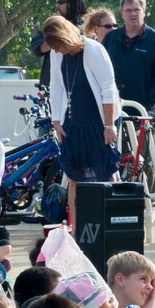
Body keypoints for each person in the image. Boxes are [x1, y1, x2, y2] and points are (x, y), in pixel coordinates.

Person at [43, 15, 120, 223]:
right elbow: (56, 86)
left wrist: (109, 125)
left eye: (60, 46)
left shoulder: (94, 50)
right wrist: (56, 121)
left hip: (99, 122)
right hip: (72, 123)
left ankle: (109, 223)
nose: (58, 51)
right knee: (74, 177)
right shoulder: (56, 54)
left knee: (105, 173)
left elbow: (108, 89)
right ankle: (76, 229)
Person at [103, 0, 155, 118]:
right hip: (111, 109)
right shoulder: (110, 39)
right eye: (128, 10)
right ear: (122, 14)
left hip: (143, 112)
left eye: (136, 10)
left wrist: (148, 103)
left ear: (144, 12)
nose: (133, 14)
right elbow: (100, 70)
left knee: (141, 139)